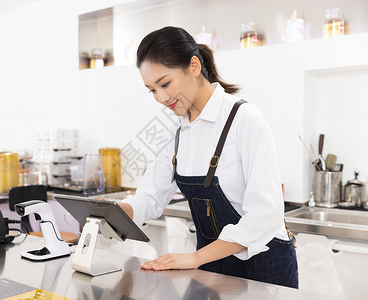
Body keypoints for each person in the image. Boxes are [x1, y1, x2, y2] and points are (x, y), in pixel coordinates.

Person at [119, 26, 298, 289]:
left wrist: (196, 257)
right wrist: (111, 215)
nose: (161, 98)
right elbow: (150, 196)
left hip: (263, 265)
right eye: (152, 90)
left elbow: (265, 213)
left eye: (165, 83)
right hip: (210, 266)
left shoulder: (244, 119)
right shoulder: (176, 130)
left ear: (193, 66)